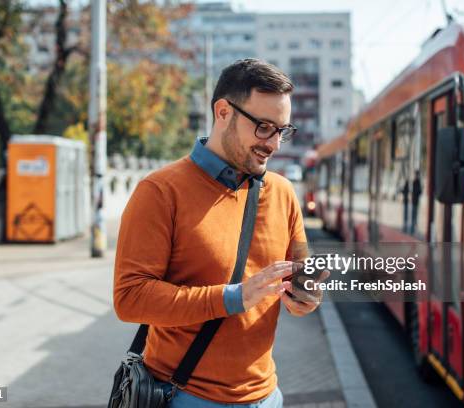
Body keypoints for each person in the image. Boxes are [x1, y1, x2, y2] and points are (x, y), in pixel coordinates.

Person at [113, 59, 324, 408]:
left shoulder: (285, 193)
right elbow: (130, 298)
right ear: (223, 111)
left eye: (282, 130)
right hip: (184, 397)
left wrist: (307, 296)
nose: (273, 144)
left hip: (268, 397)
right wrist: (233, 297)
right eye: (263, 127)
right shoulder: (160, 191)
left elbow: (301, 276)